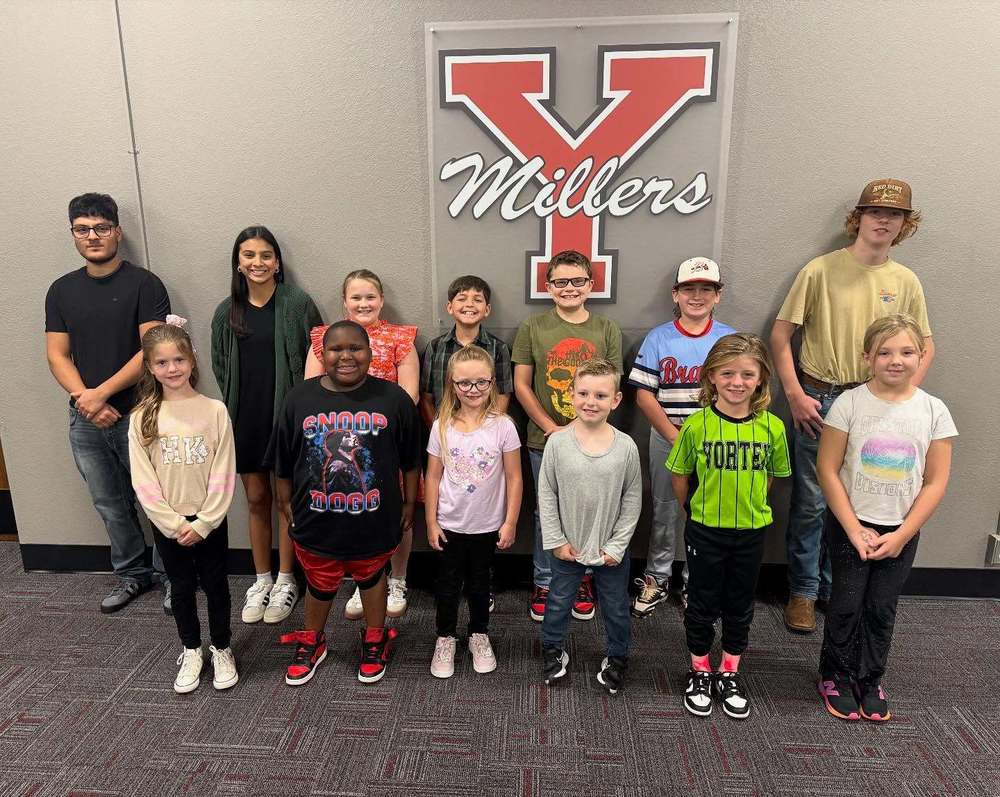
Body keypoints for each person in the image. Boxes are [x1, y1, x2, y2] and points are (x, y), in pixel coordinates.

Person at [771, 179, 933, 634]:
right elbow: (781, 336)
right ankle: (803, 591)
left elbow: (925, 346)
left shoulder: (905, 281)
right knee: (812, 502)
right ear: (858, 217)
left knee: (858, 499)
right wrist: (795, 393)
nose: (884, 220)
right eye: (875, 212)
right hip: (820, 399)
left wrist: (900, 398)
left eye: (894, 214)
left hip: (873, 403)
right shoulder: (820, 270)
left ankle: (835, 587)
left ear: (905, 224)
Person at [816, 314, 955, 723]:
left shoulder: (934, 411)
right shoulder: (849, 404)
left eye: (907, 352)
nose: (896, 360)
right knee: (845, 603)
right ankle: (836, 675)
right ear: (867, 357)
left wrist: (902, 535)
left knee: (881, 607)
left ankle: (870, 678)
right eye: (885, 352)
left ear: (922, 356)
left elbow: (935, 482)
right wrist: (853, 527)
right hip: (850, 523)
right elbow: (827, 469)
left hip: (901, 529)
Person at [269, 321, 421, 686]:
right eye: (336, 349)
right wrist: (284, 500)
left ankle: (375, 638)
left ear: (370, 353)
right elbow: (283, 459)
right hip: (317, 518)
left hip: (375, 518)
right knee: (320, 581)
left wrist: (409, 503)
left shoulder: (394, 399)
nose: (346, 356)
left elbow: (411, 459)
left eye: (355, 348)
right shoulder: (299, 399)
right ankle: (313, 640)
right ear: (323, 354)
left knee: (372, 576)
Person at [45, 192, 171, 614]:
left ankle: (173, 576)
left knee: (159, 500)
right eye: (83, 229)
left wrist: (100, 394)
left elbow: (151, 349)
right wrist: (88, 401)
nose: (93, 236)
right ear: (73, 235)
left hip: (140, 411)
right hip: (86, 419)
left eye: (101, 227)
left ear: (117, 231)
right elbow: (57, 355)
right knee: (110, 503)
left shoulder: (145, 284)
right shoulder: (61, 290)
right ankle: (133, 574)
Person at [667, 334, 791, 720]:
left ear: (761, 379)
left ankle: (729, 672)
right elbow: (679, 476)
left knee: (739, 603)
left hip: (751, 531)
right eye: (727, 373)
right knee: (702, 602)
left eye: (747, 374)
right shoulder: (697, 425)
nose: (737, 382)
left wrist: (747, 506)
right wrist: (692, 510)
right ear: (711, 377)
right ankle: (700, 669)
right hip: (705, 528)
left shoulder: (772, 428)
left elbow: (771, 476)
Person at [211, 226, 323, 625]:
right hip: (246, 417)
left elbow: (317, 354)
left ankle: (287, 579)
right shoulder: (227, 311)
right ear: (238, 263)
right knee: (256, 498)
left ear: (277, 262)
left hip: (288, 418)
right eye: (248, 255)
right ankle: (262, 579)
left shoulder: (297, 304)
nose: (257, 262)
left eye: (265, 255)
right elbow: (220, 366)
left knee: (286, 500)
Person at [512, 250, 623, 623]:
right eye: (561, 281)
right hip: (544, 440)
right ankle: (545, 581)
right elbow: (521, 384)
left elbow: (612, 387)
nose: (569, 288)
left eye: (577, 280)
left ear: (591, 285)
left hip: (593, 441)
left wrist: (583, 430)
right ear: (548, 286)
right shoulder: (533, 327)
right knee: (546, 514)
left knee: (589, 510)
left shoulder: (606, 329)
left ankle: (583, 577)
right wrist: (551, 427)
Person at [128, 322, 238, 693]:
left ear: (192, 360)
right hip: (169, 524)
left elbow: (224, 472)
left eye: (179, 359)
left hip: (209, 521)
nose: (172, 368)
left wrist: (204, 522)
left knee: (216, 585)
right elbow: (144, 481)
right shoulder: (142, 417)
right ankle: (192, 649)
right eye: (162, 362)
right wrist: (173, 524)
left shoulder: (215, 411)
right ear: (150, 367)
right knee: (181, 587)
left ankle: (221, 647)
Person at [305, 270, 418, 620]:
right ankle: (365, 578)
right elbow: (310, 394)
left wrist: (374, 434)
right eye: (356, 297)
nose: (364, 303)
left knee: (395, 508)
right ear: (345, 302)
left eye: (370, 297)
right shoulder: (324, 338)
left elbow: (410, 397)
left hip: (385, 443)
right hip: (339, 442)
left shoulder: (400, 338)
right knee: (355, 506)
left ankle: (397, 579)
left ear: (381, 300)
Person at [628, 257, 735, 618]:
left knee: (705, 513)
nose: (697, 296)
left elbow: (739, 392)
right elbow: (644, 395)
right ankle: (657, 577)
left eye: (706, 289)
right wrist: (676, 437)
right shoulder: (659, 337)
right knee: (664, 509)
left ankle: (696, 580)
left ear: (718, 295)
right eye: (689, 289)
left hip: (714, 440)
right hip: (667, 436)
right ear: (675, 294)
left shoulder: (729, 339)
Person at [538, 358, 641, 696]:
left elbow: (632, 501)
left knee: (615, 607)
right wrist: (556, 541)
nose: (590, 402)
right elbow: (547, 495)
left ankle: (617, 655)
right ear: (571, 395)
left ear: (616, 400)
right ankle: (552, 648)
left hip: (610, 551)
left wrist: (617, 546)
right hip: (567, 547)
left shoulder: (626, 447)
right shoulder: (557, 443)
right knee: (558, 602)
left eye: (600, 395)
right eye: (583, 393)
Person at [425, 345, 522, 678]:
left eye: (482, 382)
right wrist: (431, 521)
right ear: (452, 384)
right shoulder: (441, 425)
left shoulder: (503, 426)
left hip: (487, 526)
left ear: (492, 382)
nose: (473, 390)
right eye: (464, 383)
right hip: (450, 524)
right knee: (447, 586)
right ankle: (445, 637)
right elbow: (432, 477)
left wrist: (510, 522)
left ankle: (479, 634)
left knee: (481, 585)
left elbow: (514, 477)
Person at [420, 274, 514, 612]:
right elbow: (427, 396)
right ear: (449, 307)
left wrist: (483, 428)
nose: (469, 304)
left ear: (487, 309)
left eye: (477, 299)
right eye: (461, 298)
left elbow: (503, 394)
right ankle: (450, 585)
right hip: (448, 440)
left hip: (485, 442)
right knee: (452, 515)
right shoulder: (436, 347)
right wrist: (445, 431)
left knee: (483, 526)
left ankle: (481, 585)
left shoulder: (498, 348)